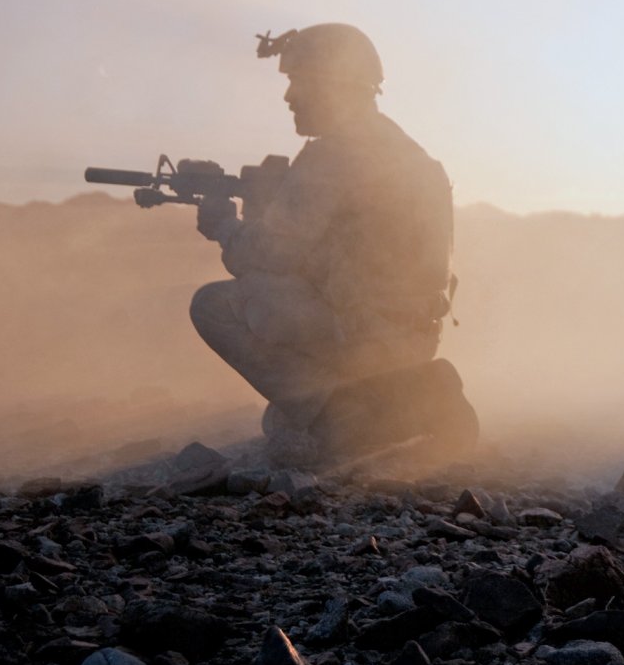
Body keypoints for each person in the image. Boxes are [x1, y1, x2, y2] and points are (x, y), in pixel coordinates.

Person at [188, 23, 476, 462]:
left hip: (364, 335)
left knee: (212, 305)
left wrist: (224, 225)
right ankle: (408, 393)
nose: (289, 97)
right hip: (411, 335)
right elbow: (344, 251)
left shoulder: (333, 155)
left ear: (331, 85)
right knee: (279, 419)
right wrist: (269, 204)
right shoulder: (402, 149)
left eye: (298, 82)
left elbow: (263, 256)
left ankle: (350, 418)